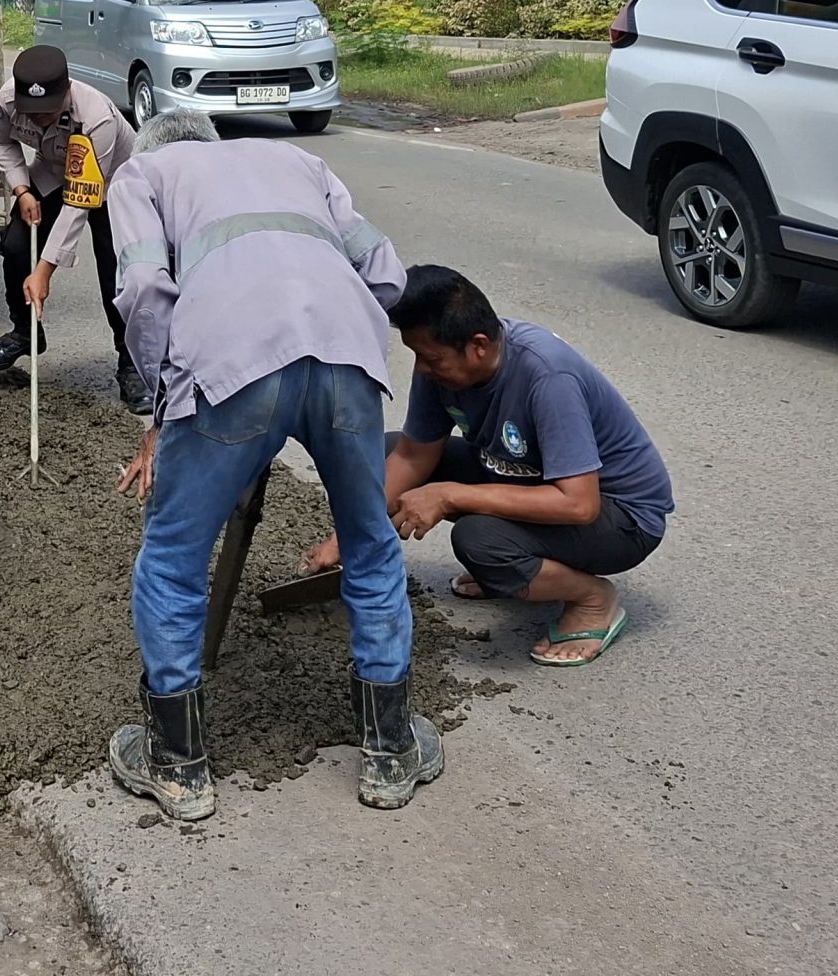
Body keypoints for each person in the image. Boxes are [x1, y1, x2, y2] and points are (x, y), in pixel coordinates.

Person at [105, 110, 441, 821]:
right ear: (212, 144)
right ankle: (390, 751)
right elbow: (386, 274)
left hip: (229, 367)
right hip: (346, 354)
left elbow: (142, 291)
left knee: (172, 560)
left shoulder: (141, 173)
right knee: (371, 545)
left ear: (156, 148)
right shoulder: (298, 162)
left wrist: (168, 397)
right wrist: (342, 328)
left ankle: (179, 766)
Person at [305, 265, 671, 668]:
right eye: (417, 355)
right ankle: (519, 571)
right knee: (385, 452)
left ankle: (591, 598)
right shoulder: (440, 371)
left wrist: (450, 496)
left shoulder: (548, 377)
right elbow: (412, 456)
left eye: (431, 358)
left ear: (478, 345)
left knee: (480, 541)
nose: (422, 368)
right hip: (529, 476)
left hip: (621, 518)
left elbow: (580, 505)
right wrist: (348, 536)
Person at [0, 43, 139, 406]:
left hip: (111, 183)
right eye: (32, 111)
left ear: (66, 91)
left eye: (47, 111)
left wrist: (44, 272)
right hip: (53, 172)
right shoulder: (6, 101)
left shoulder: (96, 117)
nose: (38, 118)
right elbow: (1, 142)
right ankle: (25, 331)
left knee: (115, 270)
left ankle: (131, 361)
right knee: (16, 246)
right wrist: (22, 190)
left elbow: (78, 203)